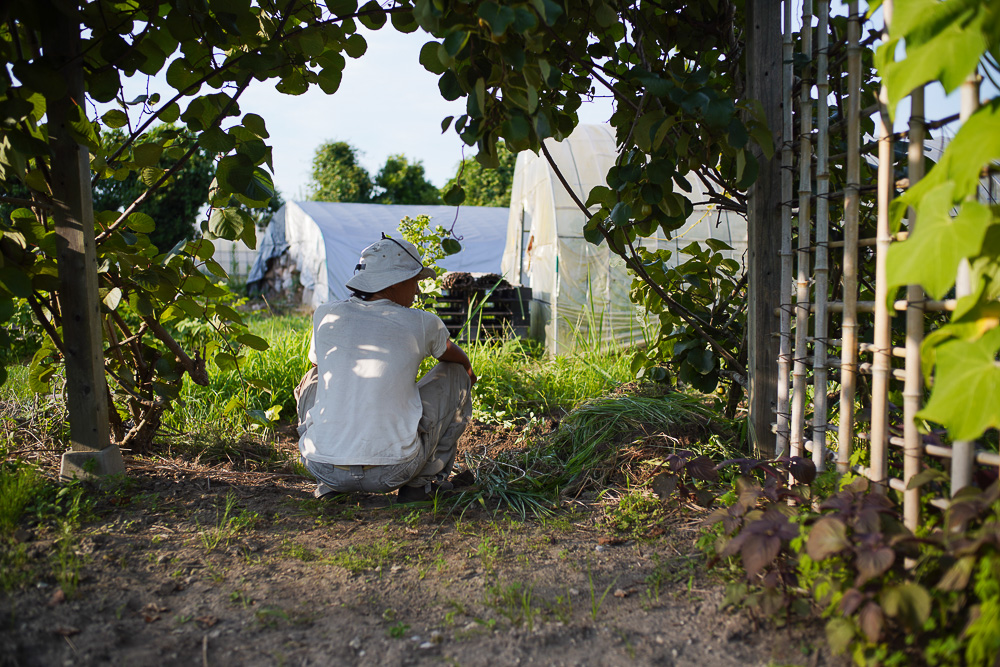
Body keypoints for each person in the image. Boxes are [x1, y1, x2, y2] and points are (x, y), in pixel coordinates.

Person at [294, 236, 476, 503]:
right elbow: (458, 360)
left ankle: (330, 482)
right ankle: (423, 483)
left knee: (315, 376)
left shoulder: (325, 314)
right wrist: (469, 374)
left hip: (322, 465)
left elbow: (318, 366)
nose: (416, 292)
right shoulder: (422, 321)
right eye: (414, 282)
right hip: (394, 469)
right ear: (397, 281)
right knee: (456, 374)